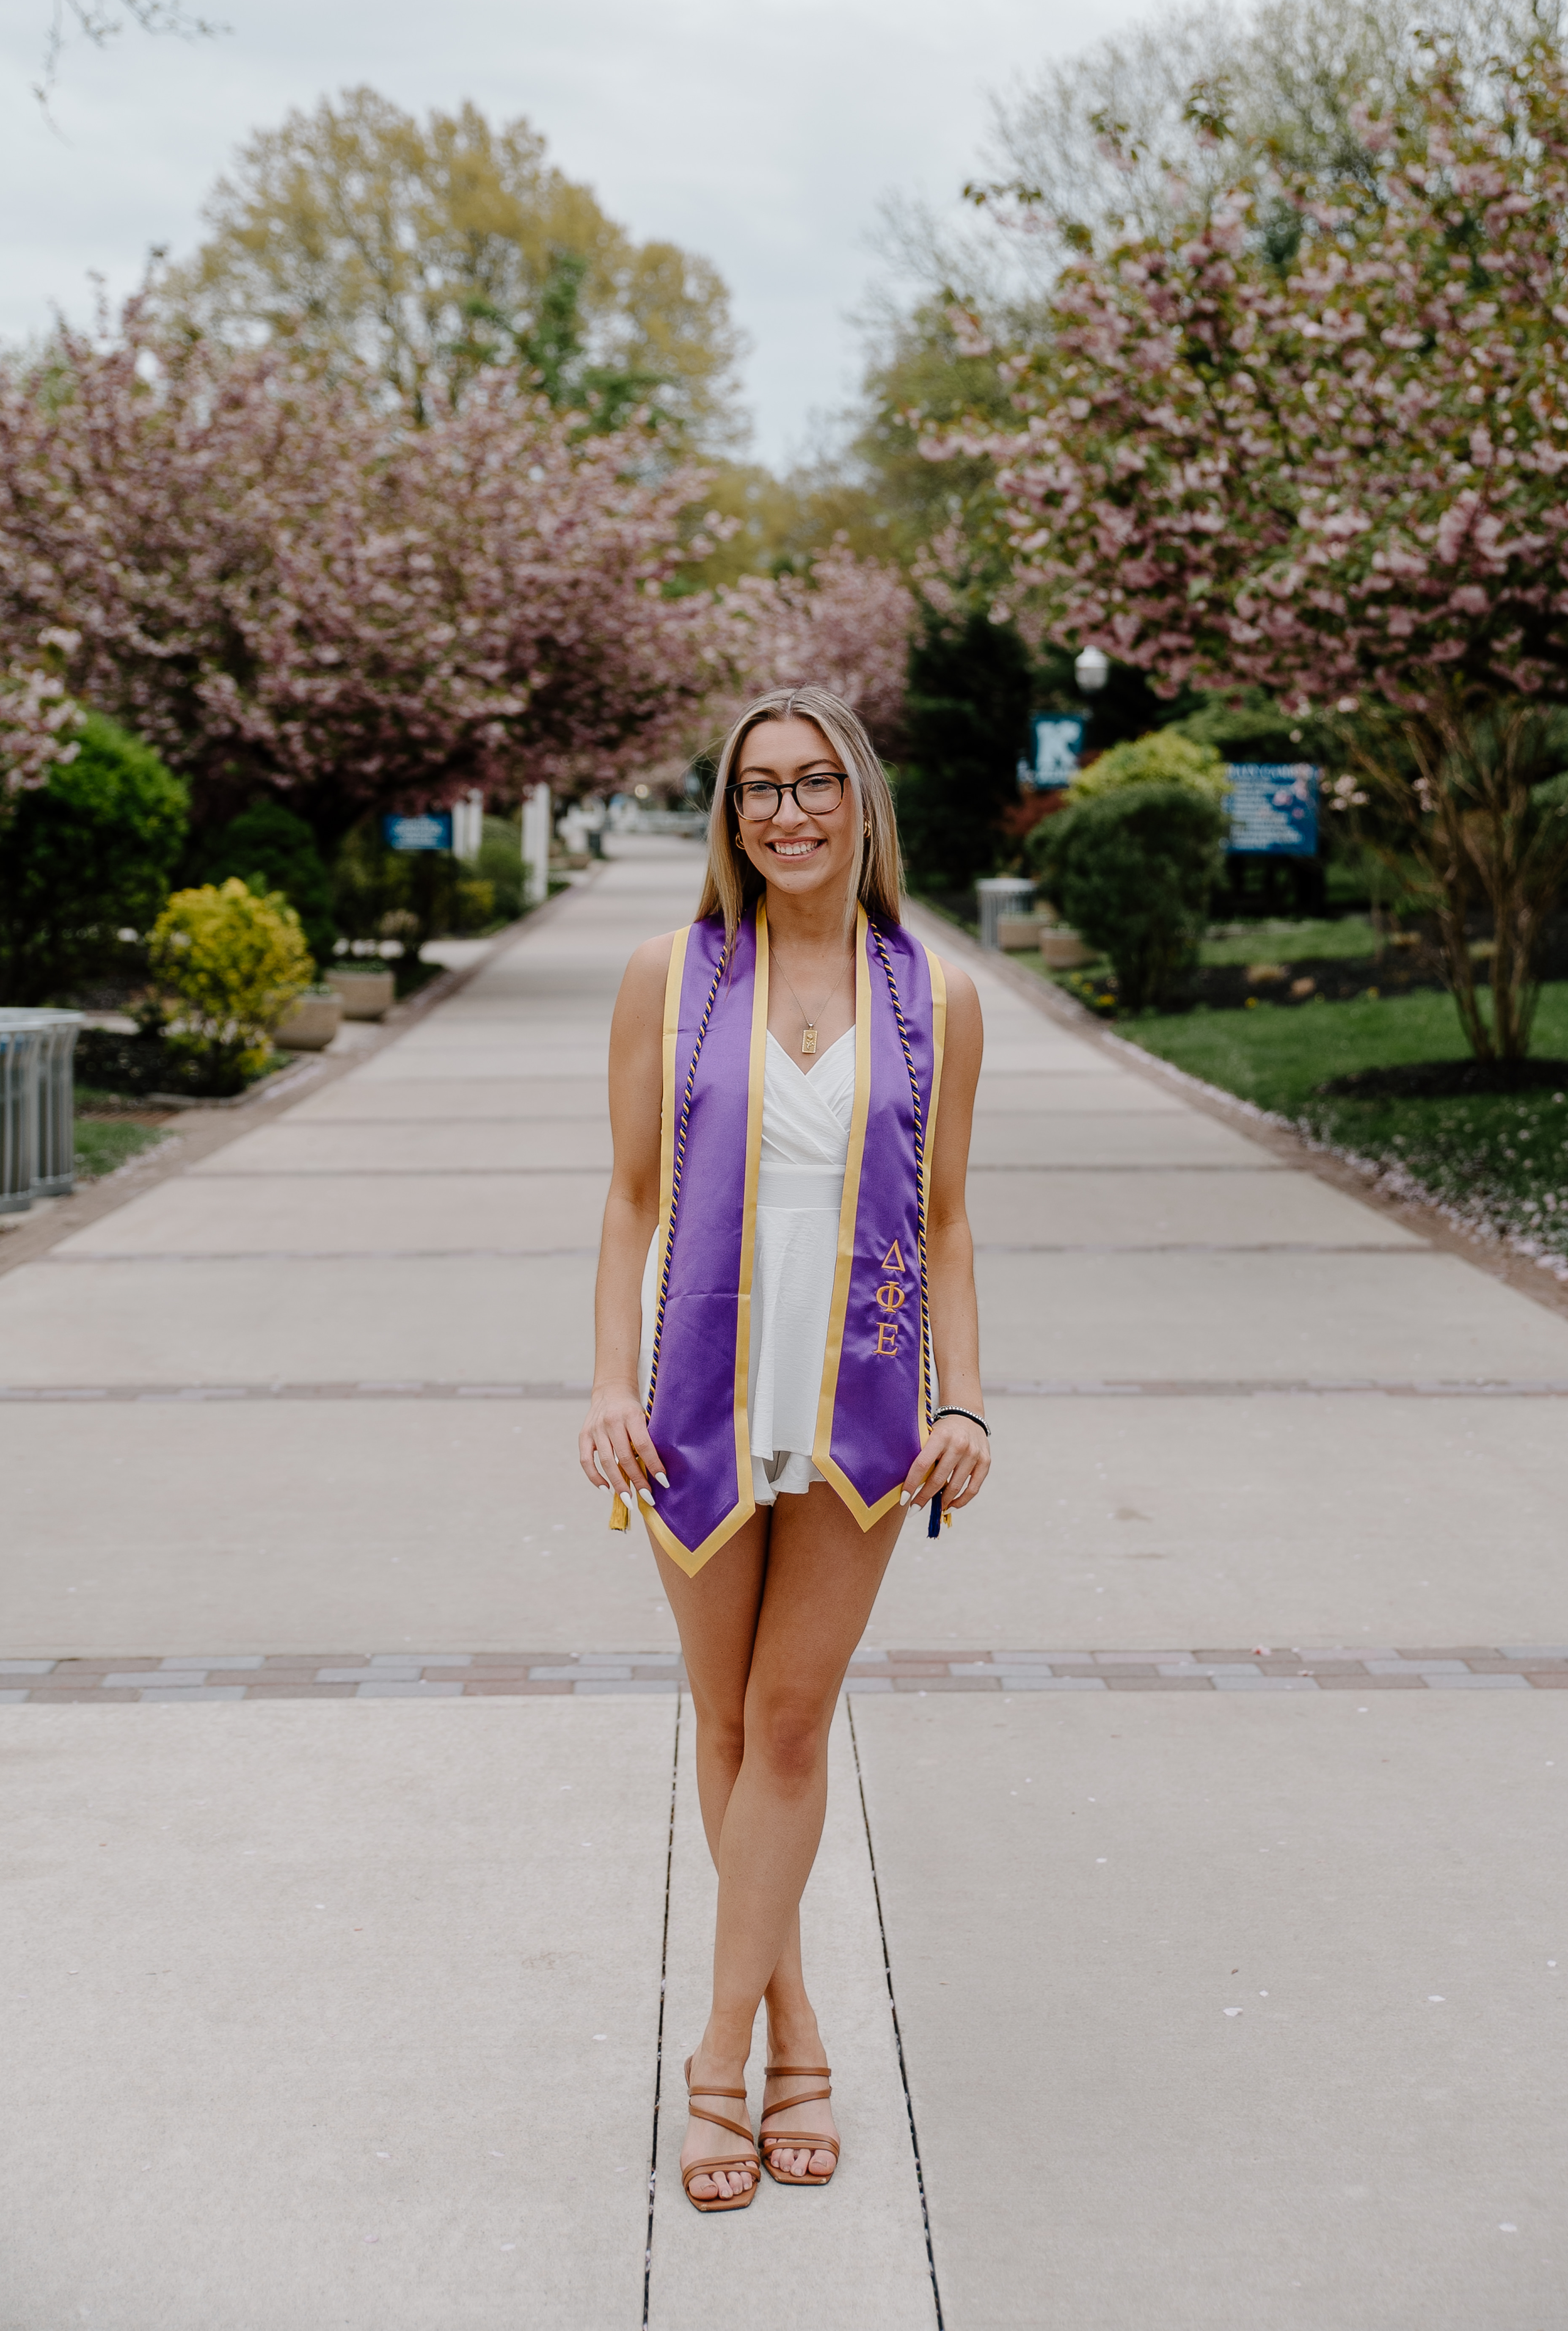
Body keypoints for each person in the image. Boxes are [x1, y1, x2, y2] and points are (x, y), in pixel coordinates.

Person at [578, 684, 990, 2211]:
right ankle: (796, 2037)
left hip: (866, 1395)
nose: (790, 813)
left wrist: (963, 1399)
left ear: (862, 801)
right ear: (730, 815)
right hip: (701, 1396)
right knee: (733, 1730)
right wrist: (610, 1384)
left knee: (794, 1724)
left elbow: (944, 1218)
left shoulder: (930, 996)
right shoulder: (670, 976)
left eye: (817, 783)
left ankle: (712, 2069)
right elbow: (631, 1199)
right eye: (760, 789)